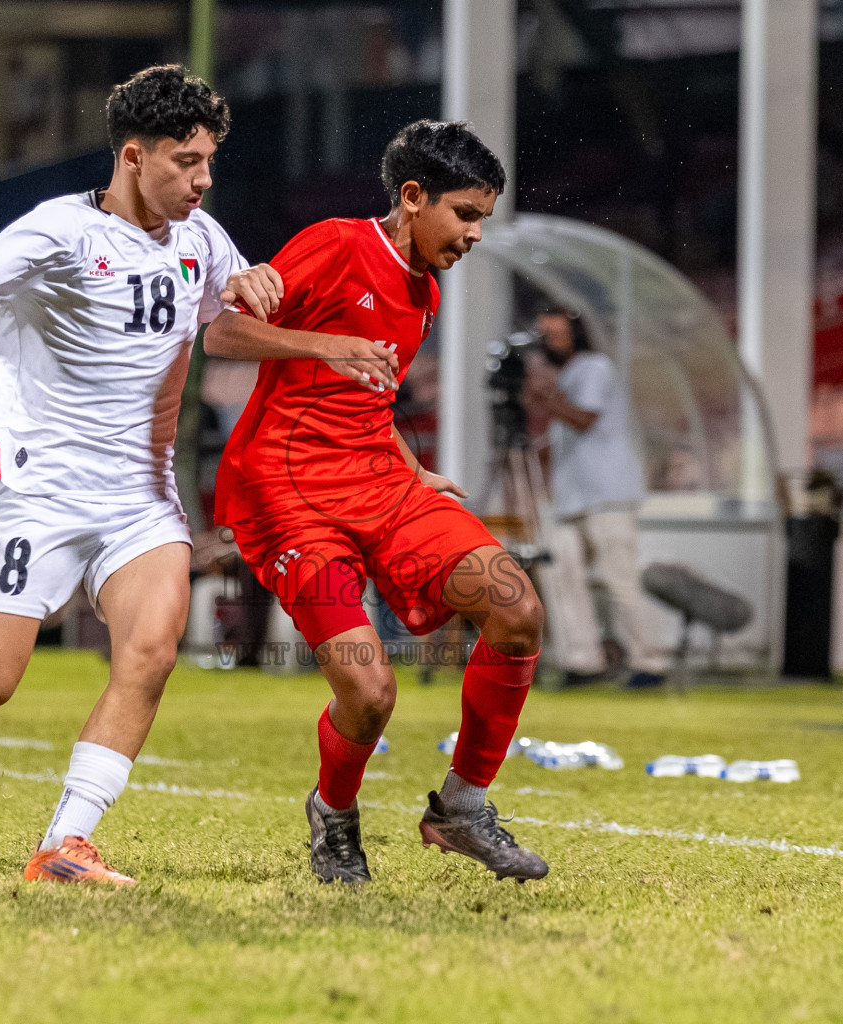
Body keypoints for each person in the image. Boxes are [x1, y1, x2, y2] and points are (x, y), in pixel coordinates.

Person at [0, 65, 281, 886]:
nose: (203, 178)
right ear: (134, 157)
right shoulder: (62, 231)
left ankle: (66, 841)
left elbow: (231, 308)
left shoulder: (203, 238)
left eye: (210, 159)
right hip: (40, 492)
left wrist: (249, 288)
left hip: (141, 502)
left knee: (150, 651)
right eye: (186, 161)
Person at [207, 119, 549, 886]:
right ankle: (334, 816)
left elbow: (370, 397)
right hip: (290, 494)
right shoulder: (334, 243)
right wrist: (326, 344)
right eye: (465, 214)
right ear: (413, 196)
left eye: (483, 220)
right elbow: (225, 336)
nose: (475, 235)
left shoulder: (421, 287)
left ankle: (461, 807)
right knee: (370, 691)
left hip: (381, 484)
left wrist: (413, 468)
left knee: (516, 608)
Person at [526, 304, 668, 688]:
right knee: (561, 575)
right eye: (544, 335)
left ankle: (650, 661)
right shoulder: (565, 375)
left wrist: (545, 397)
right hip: (571, 496)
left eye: (554, 334)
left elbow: (584, 418)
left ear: (575, 333)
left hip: (606, 493)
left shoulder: (594, 368)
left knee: (618, 578)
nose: (547, 342)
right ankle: (581, 661)